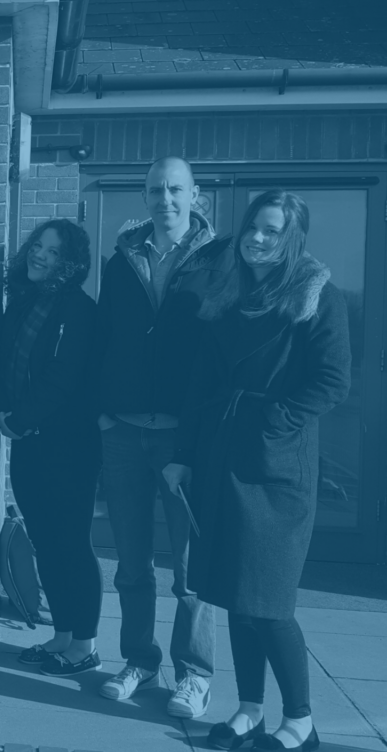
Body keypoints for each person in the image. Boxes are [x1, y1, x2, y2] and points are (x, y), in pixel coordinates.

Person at [164, 191, 350, 751]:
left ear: (293, 238)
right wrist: (183, 453)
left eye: (272, 231)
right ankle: (249, 711)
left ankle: (301, 722)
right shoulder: (228, 296)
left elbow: (332, 381)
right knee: (234, 597)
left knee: (268, 602)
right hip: (223, 454)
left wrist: (274, 421)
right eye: (252, 228)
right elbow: (200, 385)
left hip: (277, 467)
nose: (258, 239)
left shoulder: (320, 296)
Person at [94, 156, 232, 717]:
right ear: (144, 196)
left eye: (176, 189)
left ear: (194, 194)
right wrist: (103, 411)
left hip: (184, 436)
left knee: (191, 568)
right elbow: (103, 337)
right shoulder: (121, 259)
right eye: (155, 190)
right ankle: (140, 659)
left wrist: (201, 435)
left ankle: (194, 674)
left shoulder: (220, 260)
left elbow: (222, 351)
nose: (165, 199)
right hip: (124, 432)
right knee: (130, 563)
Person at [0, 220, 103, 676]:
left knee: (71, 544)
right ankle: (61, 634)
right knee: (45, 543)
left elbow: (63, 377)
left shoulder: (78, 309)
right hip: (28, 447)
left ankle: (85, 644)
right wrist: (4, 413)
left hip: (67, 448)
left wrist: (17, 421)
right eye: (37, 246)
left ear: (70, 262)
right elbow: (5, 364)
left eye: (53, 252)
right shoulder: (24, 303)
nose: (40, 255)